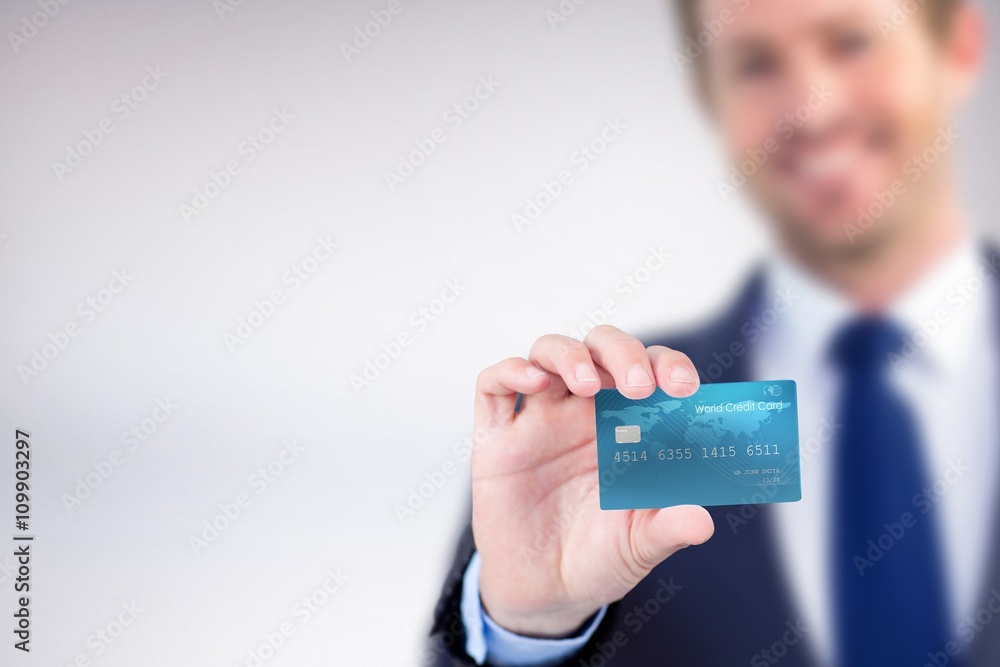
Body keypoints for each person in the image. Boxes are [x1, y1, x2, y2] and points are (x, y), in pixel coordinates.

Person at [428, 0, 1000, 664]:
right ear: (710, 98)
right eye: (755, 63)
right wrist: (531, 629)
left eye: (851, 42)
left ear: (956, 48)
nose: (812, 108)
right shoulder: (606, 434)